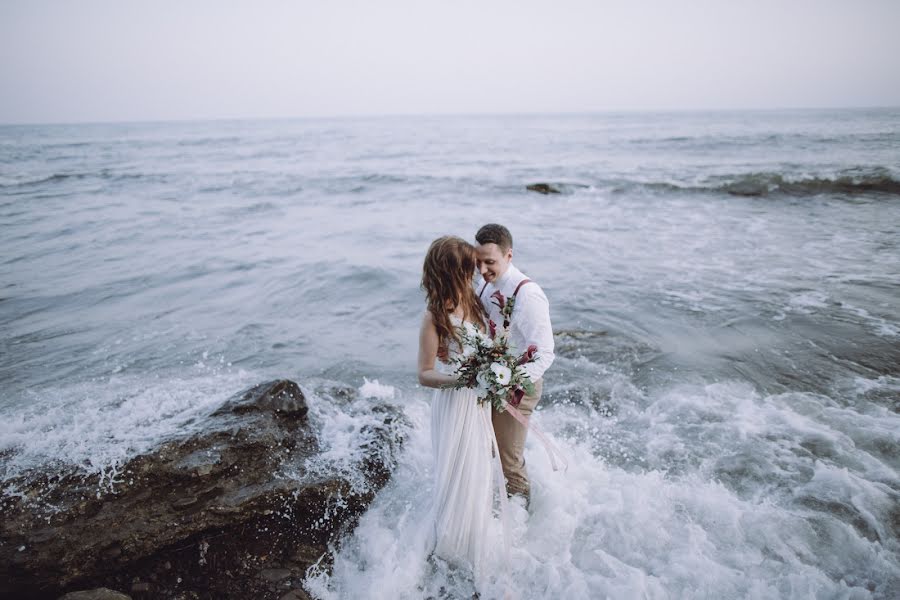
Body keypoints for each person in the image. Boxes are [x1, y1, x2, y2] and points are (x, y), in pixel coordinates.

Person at [417, 235, 496, 574]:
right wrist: (460, 381)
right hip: (454, 404)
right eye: (470, 267)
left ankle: (473, 544)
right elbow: (424, 373)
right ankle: (447, 553)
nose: (477, 272)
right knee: (456, 476)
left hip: (477, 402)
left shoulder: (475, 302)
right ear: (455, 271)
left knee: (478, 472)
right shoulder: (435, 316)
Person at [474, 224, 555, 504]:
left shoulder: (528, 295)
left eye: (490, 262)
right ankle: (492, 507)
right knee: (487, 449)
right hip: (491, 379)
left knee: (508, 459)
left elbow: (545, 354)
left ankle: (520, 523)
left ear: (509, 255)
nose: (482, 270)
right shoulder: (485, 284)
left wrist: (506, 380)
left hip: (519, 387)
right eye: (478, 262)